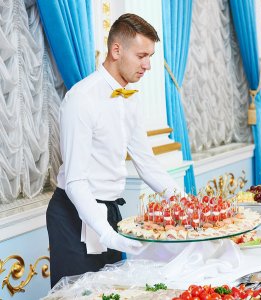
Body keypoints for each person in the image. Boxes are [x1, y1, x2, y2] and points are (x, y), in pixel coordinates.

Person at [46, 13, 182, 287]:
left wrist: (185, 202)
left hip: (110, 213)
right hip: (74, 216)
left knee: (114, 292)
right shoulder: (81, 99)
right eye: (142, 55)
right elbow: (75, 180)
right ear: (116, 50)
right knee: (78, 294)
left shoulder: (130, 100)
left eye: (150, 56)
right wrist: (107, 234)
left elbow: (147, 164)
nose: (148, 65)